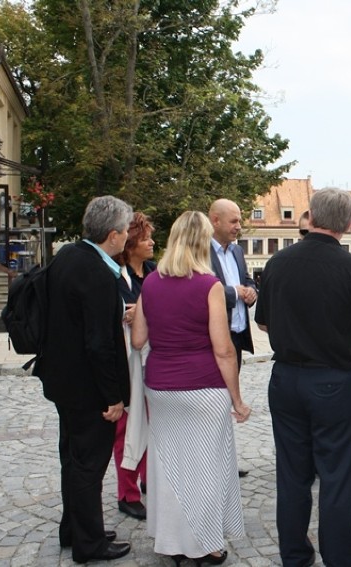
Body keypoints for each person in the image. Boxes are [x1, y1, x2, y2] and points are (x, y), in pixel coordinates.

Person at [255, 188, 351, 567]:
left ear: (310, 217)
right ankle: (341, 558)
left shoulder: (278, 262)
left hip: (286, 379)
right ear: (348, 224)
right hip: (333, 381)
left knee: (292, 473)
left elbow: (262, 320)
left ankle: (294, 555)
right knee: (337, 476)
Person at [132, 211, 250, 565]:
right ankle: (206, 545)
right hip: (203, 388)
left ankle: (171, 541)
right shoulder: (209, 285)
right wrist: (238, 399)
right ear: (202, 243)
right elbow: (224, 348)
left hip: (162, 387)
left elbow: (138, 338)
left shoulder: (150, 282)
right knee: (207, 467)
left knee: (168, 466)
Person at [34, 195, 133, 563]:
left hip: (64, 382)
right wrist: (113, 397)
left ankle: (75, 529)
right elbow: (98, 343)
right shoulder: (97, 273)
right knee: (89, 467)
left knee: (73, 461)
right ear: (112, 234)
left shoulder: (69, 256)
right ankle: (89, 545)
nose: (126, 237)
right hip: (88, 389)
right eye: (124, 231)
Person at [209, 199, 258, 478]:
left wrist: (251, 292)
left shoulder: (237, 251)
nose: (238, 226)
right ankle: (212, 462)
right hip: (215, 338)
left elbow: (247, 280)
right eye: (233, 221)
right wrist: (234, 293)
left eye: (239, 221)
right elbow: (203, 289)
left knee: (227, 401)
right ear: (215, 220)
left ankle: (224, 461)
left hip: (237, 336)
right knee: (214, 401)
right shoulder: (201, 250)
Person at [112, 212, 156, 521]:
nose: (152, 242)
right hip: (126, 363)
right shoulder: (116, 275)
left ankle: (148, 478)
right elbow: (119, 314)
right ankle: (126, 493)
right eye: (146, 238)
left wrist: (140, 309)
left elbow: (148, 309)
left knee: (152, 423)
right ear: (130, 245)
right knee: (126, 428)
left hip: (152, 361)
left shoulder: (154, 272)